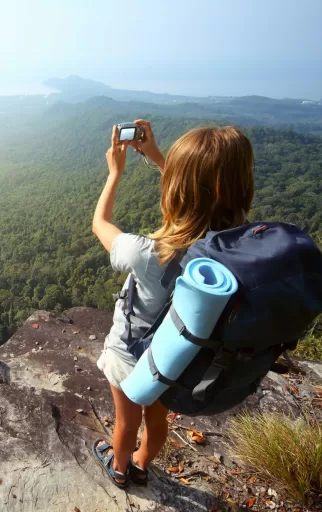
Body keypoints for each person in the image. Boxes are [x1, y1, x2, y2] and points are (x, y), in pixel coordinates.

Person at [90, 120, 255, 488]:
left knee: (126, 422)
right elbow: (203, 201)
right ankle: (143, 465)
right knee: (158, 419)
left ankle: (119, 468)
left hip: (130, 354)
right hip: (177, 356)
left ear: (177, 189)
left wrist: (115, 173)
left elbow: (99, 222)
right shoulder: (234, 244)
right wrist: (157, 156)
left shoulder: (145, 253)